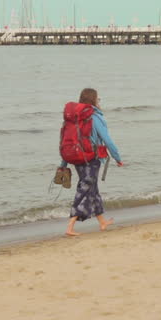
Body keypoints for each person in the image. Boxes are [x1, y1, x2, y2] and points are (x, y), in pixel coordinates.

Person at [64, 87, 124, 237]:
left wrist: (63, 163)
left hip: (77, 158)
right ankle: (70, 226)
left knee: (92, 190)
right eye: (98, 98)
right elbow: (107, 139)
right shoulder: (94, 116)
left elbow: (67, 141)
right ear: (94, 100)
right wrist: (117, 157)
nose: (99, 101)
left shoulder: (75, 117)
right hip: (91, 159)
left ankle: (102, 221)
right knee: (85, 189)